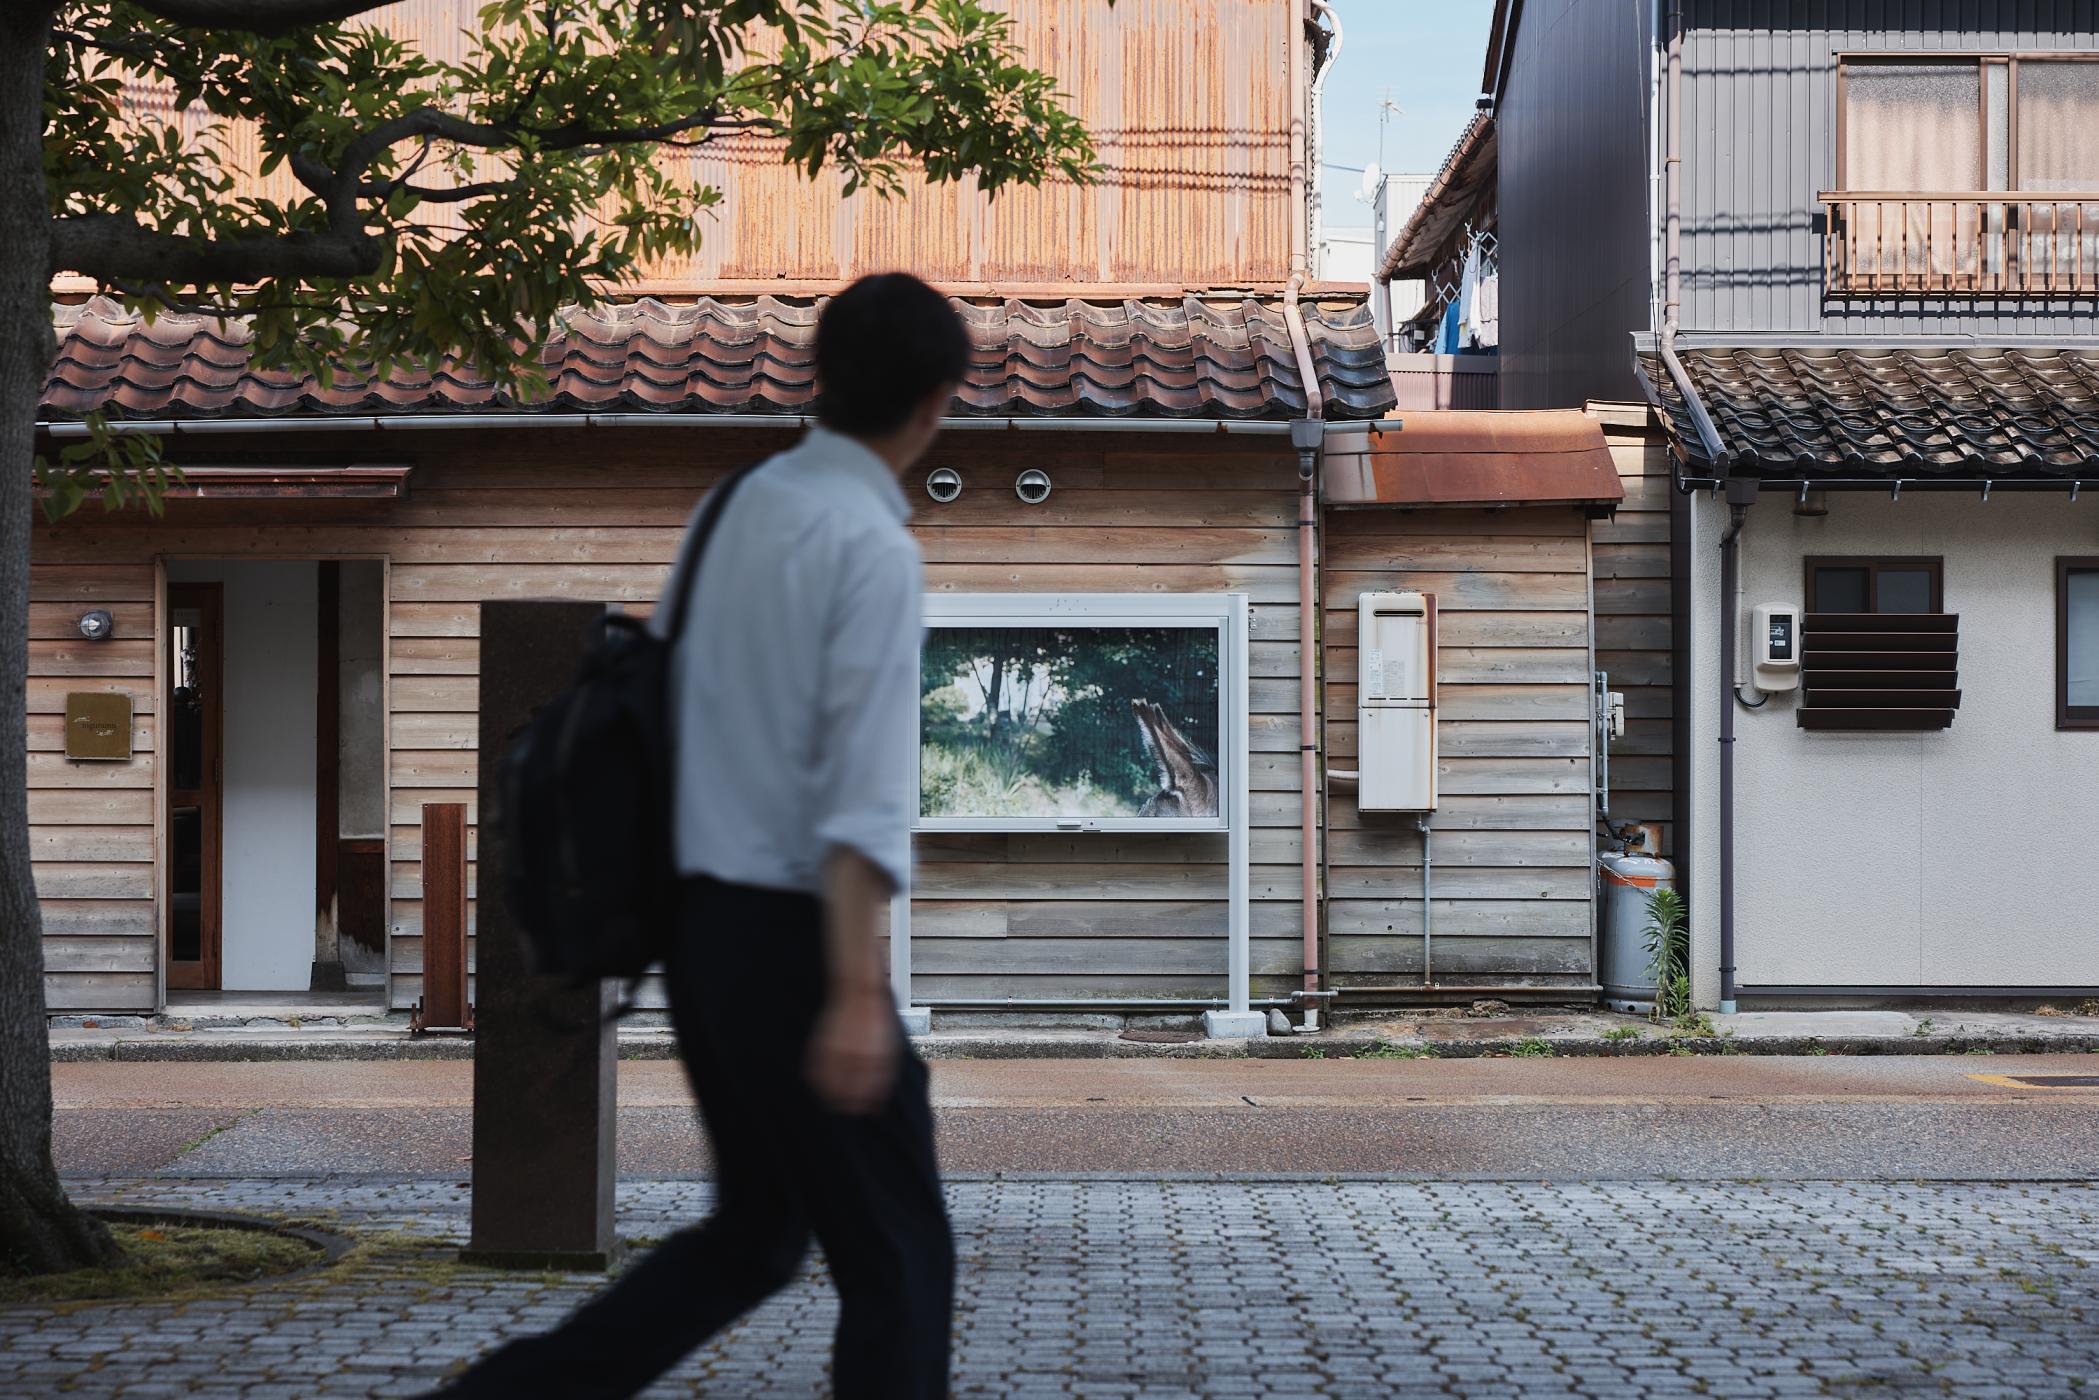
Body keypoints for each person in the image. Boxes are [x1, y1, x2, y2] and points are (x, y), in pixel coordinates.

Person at [428, 272, 964, 1399]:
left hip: (701, 932)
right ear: (934, 402)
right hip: (797, 940)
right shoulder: (869, 545)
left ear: (820, 379)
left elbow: (663, 717)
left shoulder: (734, 508)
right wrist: (861, 991)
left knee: (758, 1230)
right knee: (900, 1252)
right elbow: (857, 786)